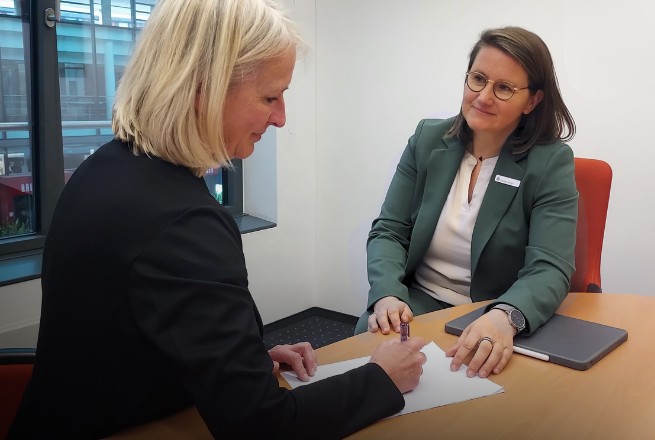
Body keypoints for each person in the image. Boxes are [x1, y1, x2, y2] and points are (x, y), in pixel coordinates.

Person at [8, 1, 426, 439]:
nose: (281, 118)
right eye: (270, 97)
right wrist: (381, 378)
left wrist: (238, 362)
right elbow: (263, 427)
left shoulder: (107, 167)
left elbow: (130, 338)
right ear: (202, 88)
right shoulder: (182, 222)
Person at [357, 26, 577, 380]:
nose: (483, 97)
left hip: (492, 312)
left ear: (532, 101)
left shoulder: (550, 162)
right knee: (370, 380)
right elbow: (389, 231)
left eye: (504, 88)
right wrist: (387, 294)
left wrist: (506, 316)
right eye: (478, 79)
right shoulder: (427, 140)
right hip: (414, 306)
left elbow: (550, 267)